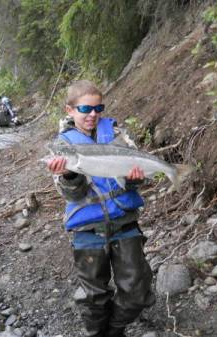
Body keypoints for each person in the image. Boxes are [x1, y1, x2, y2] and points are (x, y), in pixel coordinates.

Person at [47, 80, 155, 337]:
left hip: (124, 223)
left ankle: (115, 329)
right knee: (93, 298)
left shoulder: (118, 134)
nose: (93, 115)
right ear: (70, 110)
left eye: (98, 109)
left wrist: (134, 177)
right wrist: (69, 175)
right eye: (85, 109)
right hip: (87, 230)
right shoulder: (61, 147)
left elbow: (135, 179)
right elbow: (71, 193)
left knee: (138, 292)